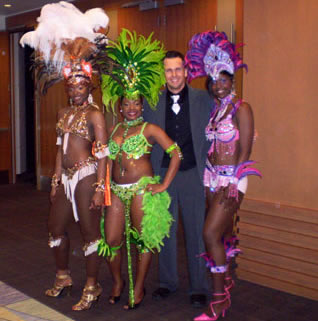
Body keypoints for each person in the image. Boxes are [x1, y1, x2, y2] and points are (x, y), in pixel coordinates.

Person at [20, 2, 115, 311]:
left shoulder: (95, 114)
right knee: (55, 228)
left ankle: (92, 283)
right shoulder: (62, 112)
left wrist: (101, 188)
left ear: (88, 85)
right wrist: (55, 176)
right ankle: (63, 277)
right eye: (70, 84)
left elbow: (103, 154)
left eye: (79, 84)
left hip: (88, 176)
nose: (74, 89)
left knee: (89, 232)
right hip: (65, 176)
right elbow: (60, 147)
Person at [97, 29, 182, 309]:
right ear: (120, 107)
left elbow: (175, 153)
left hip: (141, 190)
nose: (131, 107)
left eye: (136, 103)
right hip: (117, 191)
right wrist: (104, 183)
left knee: (142, 240)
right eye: (126, 103)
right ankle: (119, 282)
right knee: (111, 239)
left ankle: (139, 285)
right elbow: (107, 159)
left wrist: (163, 184)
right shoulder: (115, 128)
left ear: (142, 105)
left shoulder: (150, 128)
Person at [185, 30, 261, 320]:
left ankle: (218, 301)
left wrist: (232, 181)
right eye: (214, 81)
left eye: (224, 80)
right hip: (210, 176)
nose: (218, 86)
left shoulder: (243, 108)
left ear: (232, 80)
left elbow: (245, 148)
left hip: (232, 177)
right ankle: (226, 280)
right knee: (223, 233)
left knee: (210, 233)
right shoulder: (216, 110)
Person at [143, 50, 214, 307]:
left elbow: (224, 117)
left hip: (193, 173)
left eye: (177, 69)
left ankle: (198, 286)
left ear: (186, 71)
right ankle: (167, 282)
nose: (173, 74)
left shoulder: (203, 99)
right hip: (162, 172)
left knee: (196, 230)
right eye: (168, 70)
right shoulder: (151, 102)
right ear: (164, 74)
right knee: (165, 229)